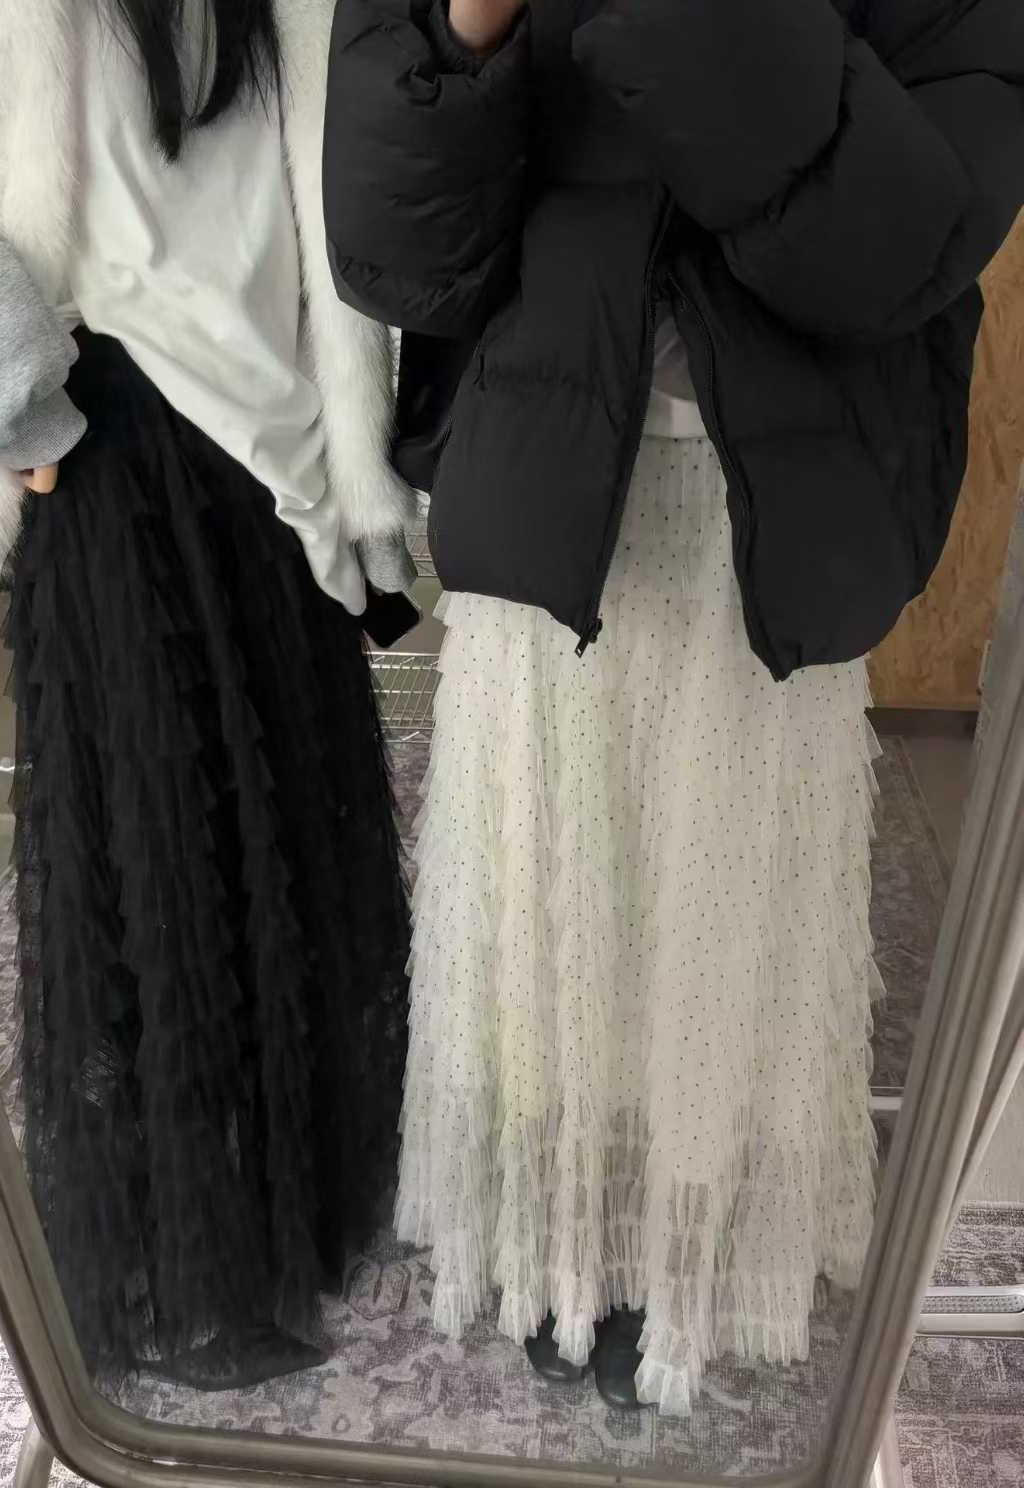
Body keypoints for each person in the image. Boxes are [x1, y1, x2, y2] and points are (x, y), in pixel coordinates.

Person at [322, 0, 1024, 1412]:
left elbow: (896, 247)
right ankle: (569, 1234)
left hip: (774, 501)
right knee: (553, 903)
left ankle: (686, 1241)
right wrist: (464, 35)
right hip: (540, 479)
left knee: (725, 919)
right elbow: (394, 256)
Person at [0, 0, 416, 1389]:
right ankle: (213, 1242)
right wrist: (6, 408)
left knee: (245, 841)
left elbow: (333, 218)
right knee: (177, 854)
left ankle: (269, 1212)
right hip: (130, 445)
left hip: (241, 456)